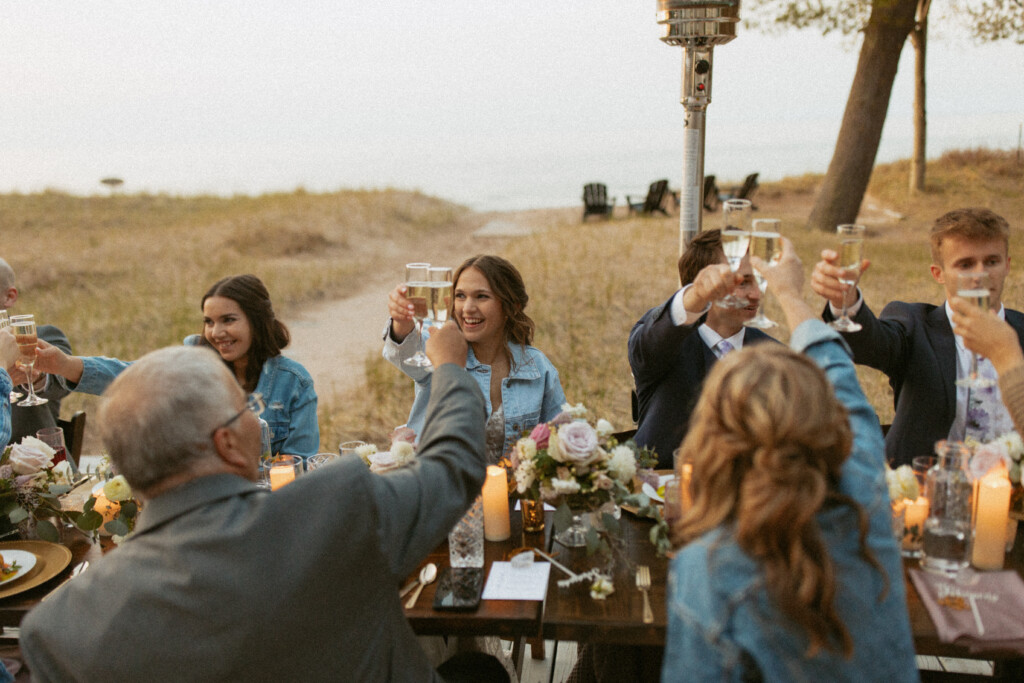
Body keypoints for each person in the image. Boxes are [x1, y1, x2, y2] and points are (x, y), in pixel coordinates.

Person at [21, 323, 505, 681]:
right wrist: (449, 369)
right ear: (228, 443)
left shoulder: (57, 631)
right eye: (246, 408)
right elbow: (453, 466)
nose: (255, 416)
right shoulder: (335, 506)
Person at [662, 238, 917, 681]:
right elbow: (839, 373)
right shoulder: (869, 501)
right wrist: (791, 294)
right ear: (825, 421)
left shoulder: (706, 570)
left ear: (714, 442)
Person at [811, 207, 1024, 465]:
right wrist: (846, 302)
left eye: (991, 261)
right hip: (925, 488)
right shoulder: (915, 325)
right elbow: (871, 344)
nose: (980, 274)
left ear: (1007, 266)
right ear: (939, 274)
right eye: (965, 264)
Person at [34, 274, 319, 458]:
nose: (216, 332)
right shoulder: (194, 363)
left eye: (228, 320)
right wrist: (65, 364)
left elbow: (300, 463)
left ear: (257, 321)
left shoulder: (294, 382)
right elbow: (131, 376)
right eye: (209, 321)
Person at [384, 254, 565, 462]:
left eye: (481, 296)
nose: (467, 308)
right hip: (442, 490)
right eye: (460, 296)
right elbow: (405, 350)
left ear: (511, 306)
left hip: (510, 492)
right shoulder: (443, 349)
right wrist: (401, 320)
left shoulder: (538, 367)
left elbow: (561, 434)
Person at [628, 229, 773, 468]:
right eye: (743, 282)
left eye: (759, 280)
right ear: (705, 282)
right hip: (659, 494)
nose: (756, 294)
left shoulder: (771, 353)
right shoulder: (664, 342)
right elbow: (649, 343)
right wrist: (696, 296)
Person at [0, 258, 73, 442]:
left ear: (9, 297)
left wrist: (37, 375)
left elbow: (63, 379)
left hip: (41, 466)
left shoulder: (42, 337)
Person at [950, 296, 1024, 436]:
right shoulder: (913, 322)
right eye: (965, 271)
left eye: (989, 271)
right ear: (938, 274)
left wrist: (1004, 354)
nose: (978, 276)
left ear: (1007, 272)